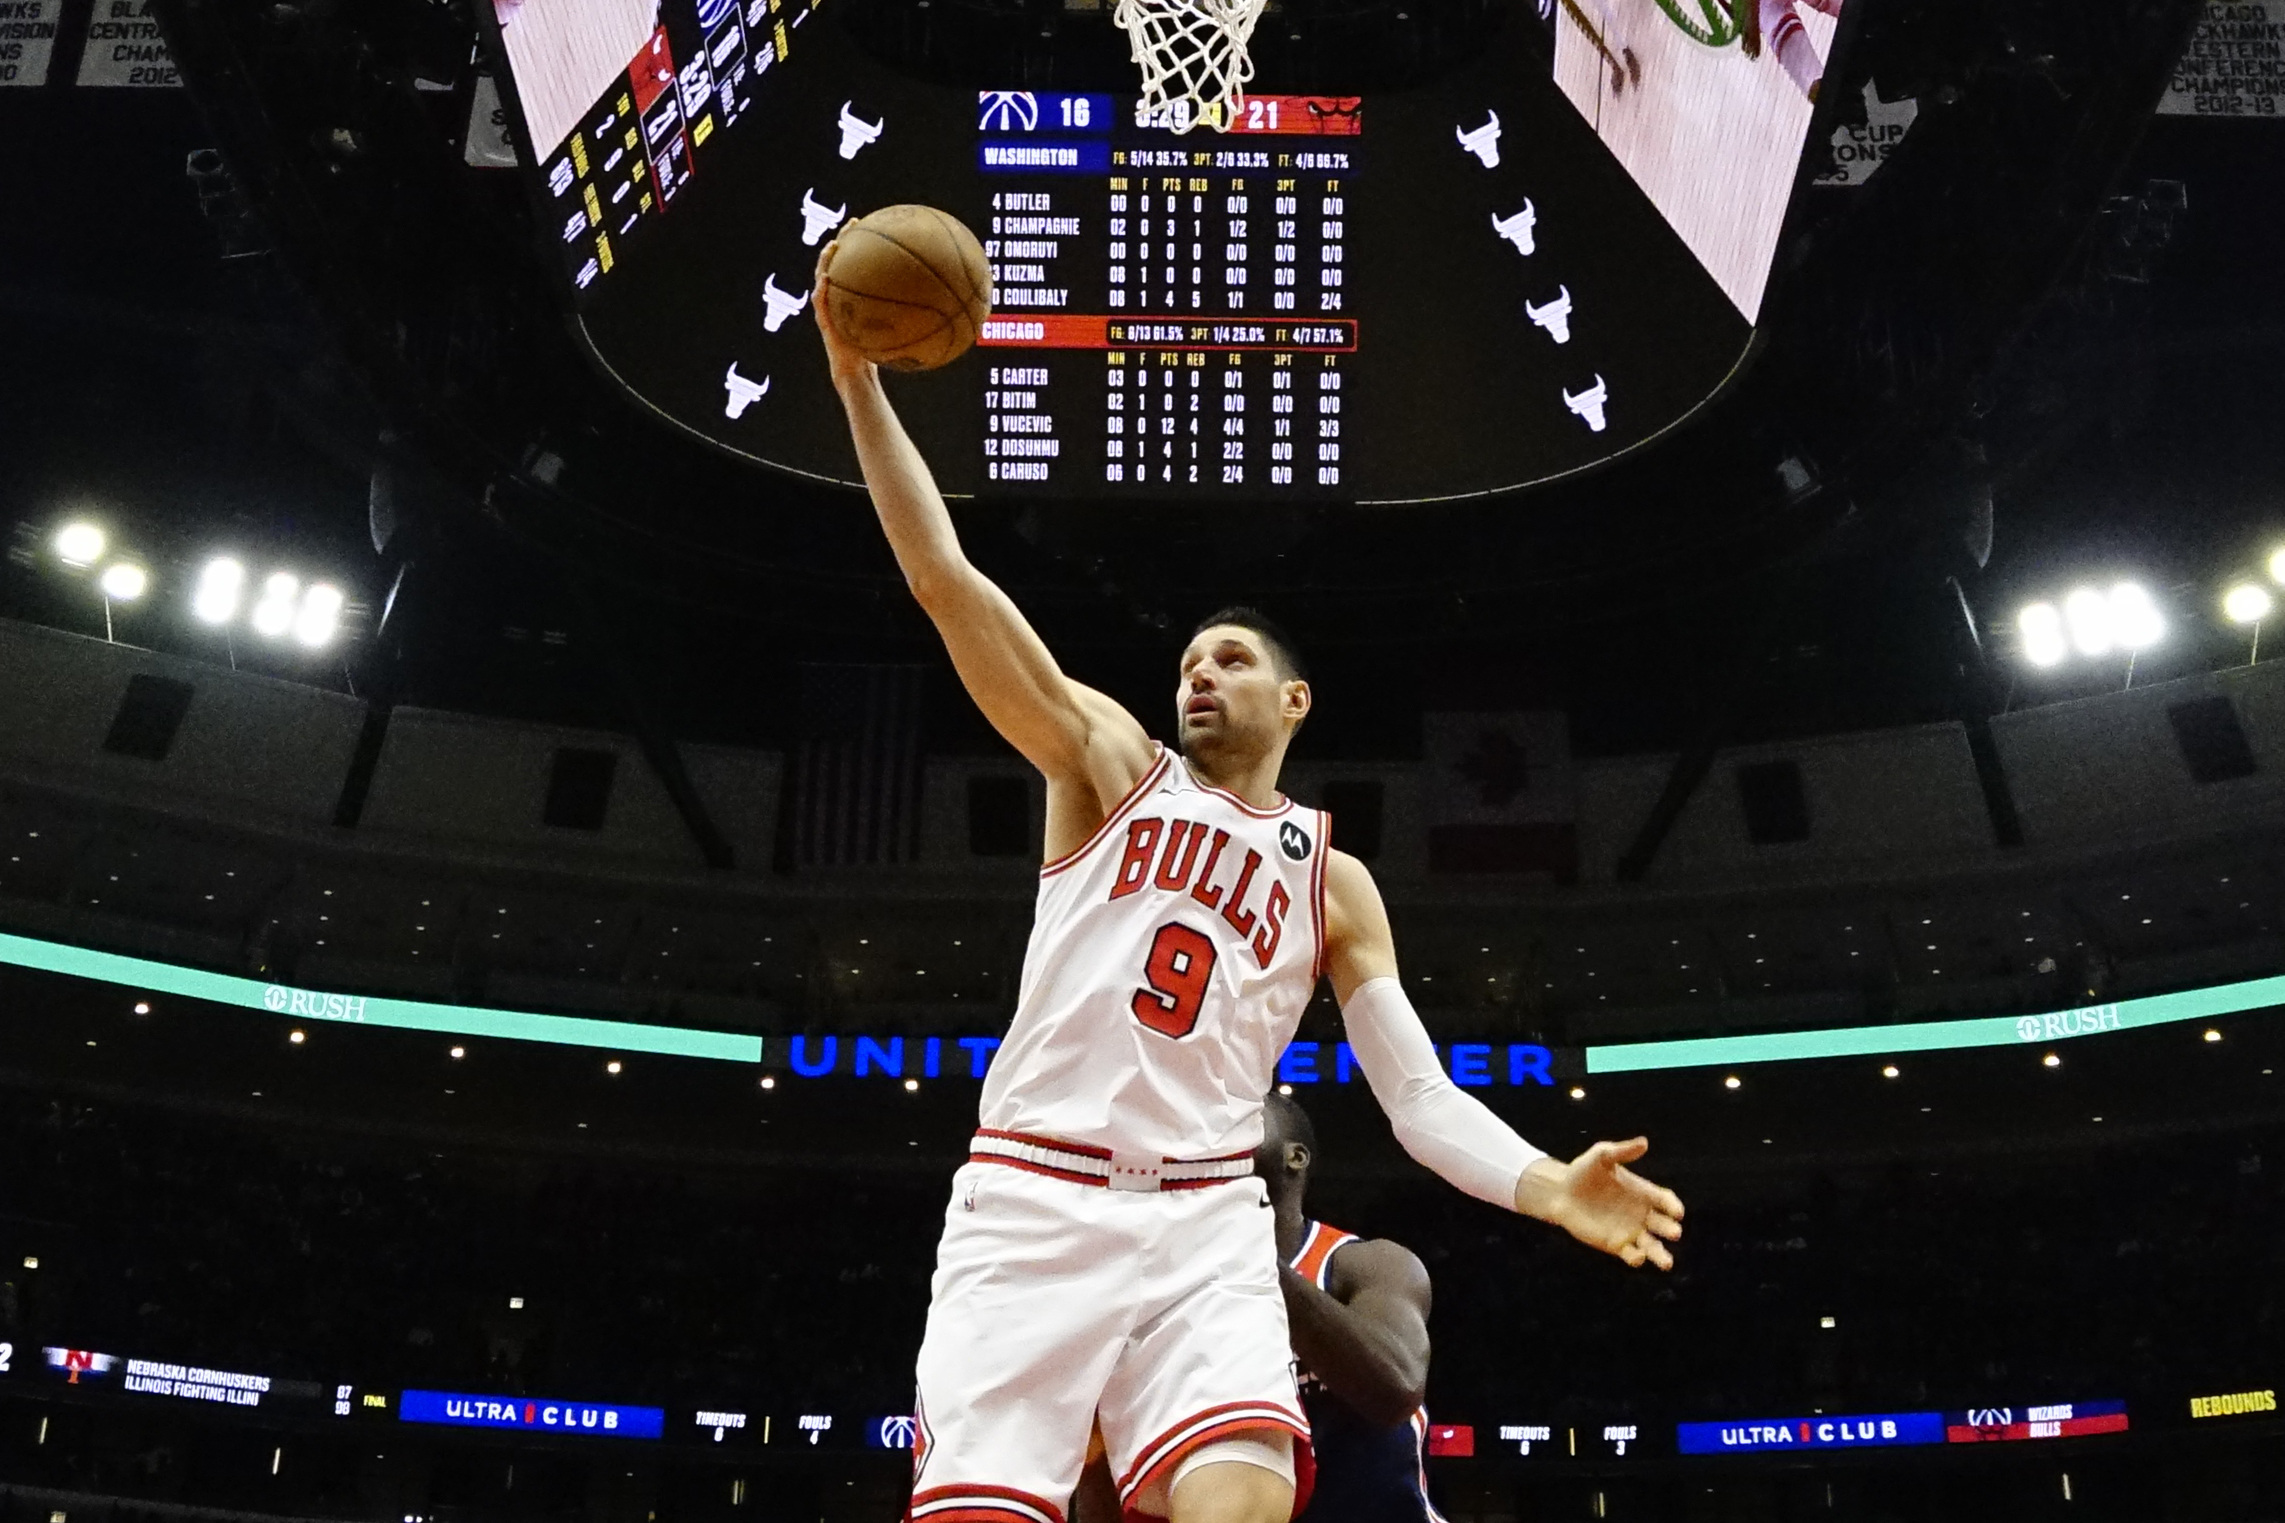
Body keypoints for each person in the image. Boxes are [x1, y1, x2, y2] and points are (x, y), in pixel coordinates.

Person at [814, 240, 1685, 1523]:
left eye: (1227, 658)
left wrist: (1546, 1182)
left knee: (1244, 1500)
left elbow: (1417, 1093)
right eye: (1186, 661)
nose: (1197, 675)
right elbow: (946, 585)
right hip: (1030, 1196)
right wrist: (854, 380)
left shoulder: (1333, 879)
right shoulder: (1107, 763)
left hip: (1205, 1222)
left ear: (1294, 697)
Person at [1071, 1091, 1451, 1523]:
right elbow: (1105, 1470)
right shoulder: (1160, 1289)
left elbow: (1396, 1389)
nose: (1212, 1137)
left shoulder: (1362, 1263)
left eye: (1239, 1122)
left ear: (1296, 1157)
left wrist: (1245, 1251)